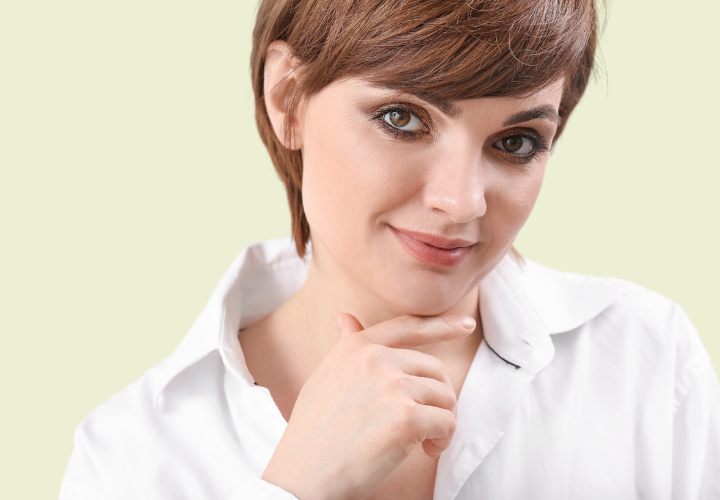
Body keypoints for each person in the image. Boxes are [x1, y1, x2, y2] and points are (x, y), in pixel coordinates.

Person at [59, 0, 720, 499]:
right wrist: (294, 486)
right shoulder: (131, 454)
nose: (462, 202)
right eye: (403, 118)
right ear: (287, 96)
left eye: (514, 142)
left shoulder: (646, 366)